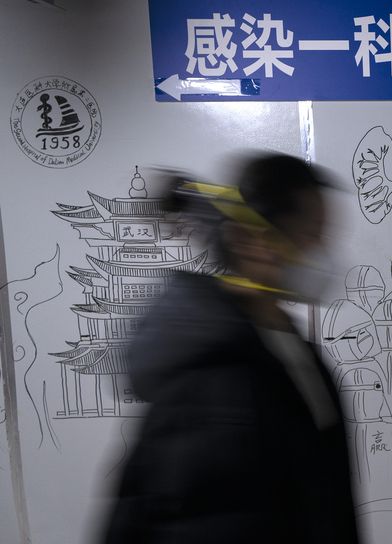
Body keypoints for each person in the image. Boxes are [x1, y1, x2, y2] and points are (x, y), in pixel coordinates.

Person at [103, 153, 360, 543]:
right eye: (311, 235)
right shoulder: (207, 378)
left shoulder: (291, 349)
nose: (323, 254)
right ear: (251, 240)